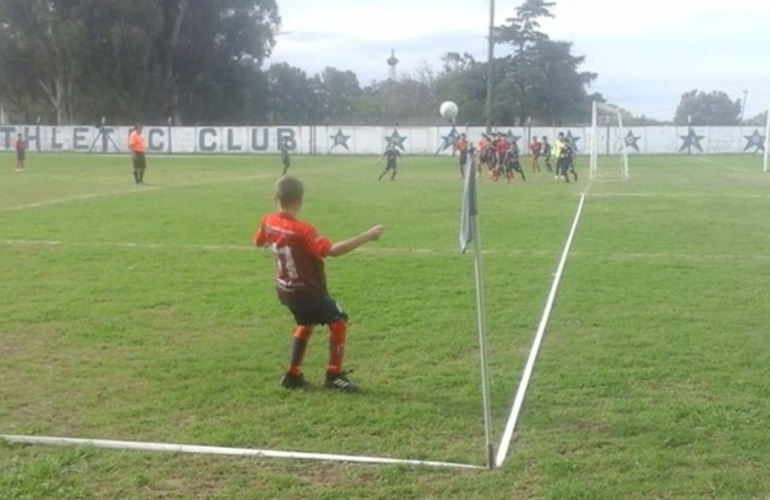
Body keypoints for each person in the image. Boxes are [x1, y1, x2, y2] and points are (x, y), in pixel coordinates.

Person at [254, 175, 384, 392]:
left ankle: (293, 374)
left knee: (305, 323)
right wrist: (366, 236)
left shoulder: (267, 221)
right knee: (339, 320)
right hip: (307, 291)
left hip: (285, 289)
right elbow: (331, 251)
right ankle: (334, 375)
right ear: (300, 202)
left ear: (274, 197)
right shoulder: (303, 230)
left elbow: (258, 242)